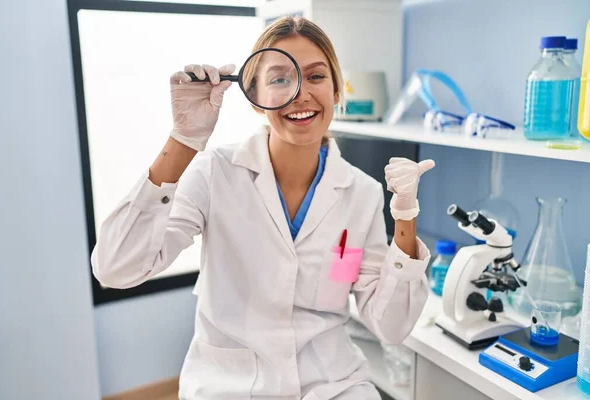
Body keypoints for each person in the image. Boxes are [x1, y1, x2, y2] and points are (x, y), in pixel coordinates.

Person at [92, 16, 435, 400]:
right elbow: (116, 268)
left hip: (332, 384)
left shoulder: (363, 193)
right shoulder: (214, 173)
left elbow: (390, 326)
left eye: (317, 77)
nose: (301, 93)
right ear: (255, 97)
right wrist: (184, 139)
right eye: (280, 79)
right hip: (231, 385)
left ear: (337, 91)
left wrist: (405, 217)